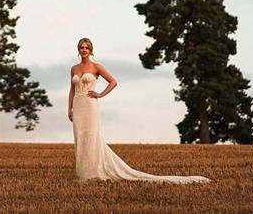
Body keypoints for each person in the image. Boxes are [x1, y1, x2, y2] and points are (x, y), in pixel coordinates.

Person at [68, 37, 209, 184]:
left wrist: (100, 94)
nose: (84, 50)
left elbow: (113, 82)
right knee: (80, 137)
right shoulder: (74, 69)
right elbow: (72, 90)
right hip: (78, 106)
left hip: (90, 105)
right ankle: (83, 172)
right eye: (81, 47)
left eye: (86, 48)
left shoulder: (96, 66)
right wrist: (69, 108)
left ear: (91, 50)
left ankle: (93, 173)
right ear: (78, 49)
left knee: (92, 136)